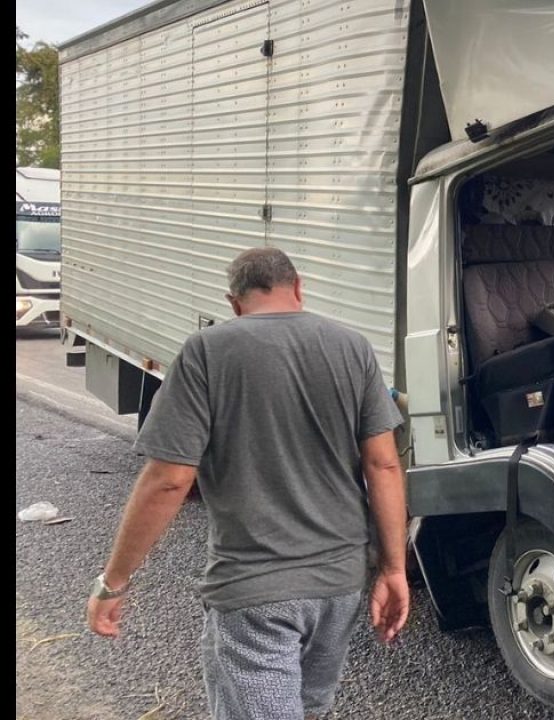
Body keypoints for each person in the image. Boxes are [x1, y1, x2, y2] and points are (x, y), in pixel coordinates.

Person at [86, 247, 410, 719]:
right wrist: (394, 569)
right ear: (298, 288)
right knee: (308, 708)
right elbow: (383, 466)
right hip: (339, 585)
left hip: (256, 589)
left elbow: (169, 481)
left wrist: (113, 582)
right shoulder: (351, 346)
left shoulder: (207, 351)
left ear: (233, 302)